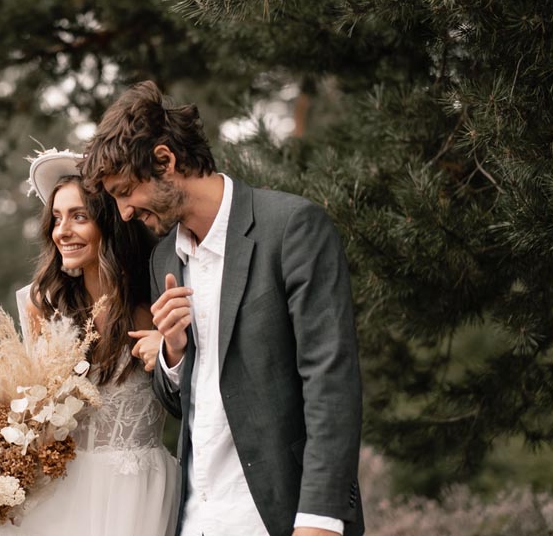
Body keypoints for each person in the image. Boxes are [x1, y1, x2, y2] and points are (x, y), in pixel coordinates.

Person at [79, 81, 364, 536]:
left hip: (281, 516)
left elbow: (331, 381)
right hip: (198, 519)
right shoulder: (164, 259)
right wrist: (173, 355)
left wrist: (320, 520)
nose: (125, 212)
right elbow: (181, 404)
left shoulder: (291, 229)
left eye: (125, 190)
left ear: (165, 161)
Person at [0, 149, 179, 536]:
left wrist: (168, 349)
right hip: (57, 494)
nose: (62, 230)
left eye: (79, 216)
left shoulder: (151, 305)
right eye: (57, 218)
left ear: (109, 223)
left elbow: (187, 396)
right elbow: (24, 414)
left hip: (134, 494)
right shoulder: (41, 306)